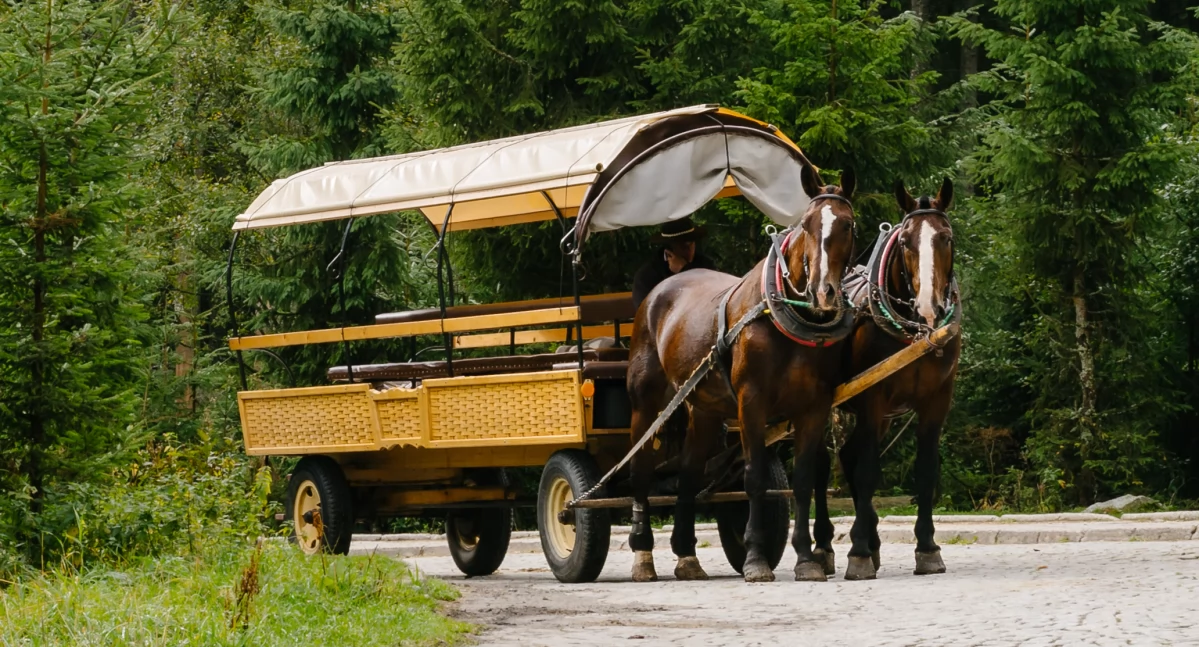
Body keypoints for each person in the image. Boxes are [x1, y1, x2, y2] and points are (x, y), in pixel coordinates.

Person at [631, 216, 717, 310]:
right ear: (669, 251)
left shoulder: (706, 266)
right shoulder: (647, 275)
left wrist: (684, 270)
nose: (689, 251)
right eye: (683, 247)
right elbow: (645, 313)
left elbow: (713, 298)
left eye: (691, 244)